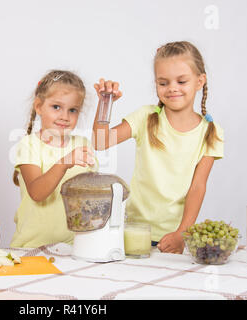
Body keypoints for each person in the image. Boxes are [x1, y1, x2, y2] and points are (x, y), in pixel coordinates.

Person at [92, 41, 224, 254]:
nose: (172, 88)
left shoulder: (211, 131)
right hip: (134, 233)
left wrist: (183, 233)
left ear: (200, 81)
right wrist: (105, 103)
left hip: (173, 239)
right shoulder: (145, 117)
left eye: (181, 81)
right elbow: (100, 142)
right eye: (163, 83)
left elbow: (198, 187)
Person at [11, 70, 96, 248]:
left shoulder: (83, 144)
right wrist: (63, 163)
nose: (65, 116)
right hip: (31, 247)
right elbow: (37, 193)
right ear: (39, 106)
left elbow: (92, 196)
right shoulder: (28, 145)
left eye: (72, 110)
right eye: (56, 107)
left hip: (75, 247)